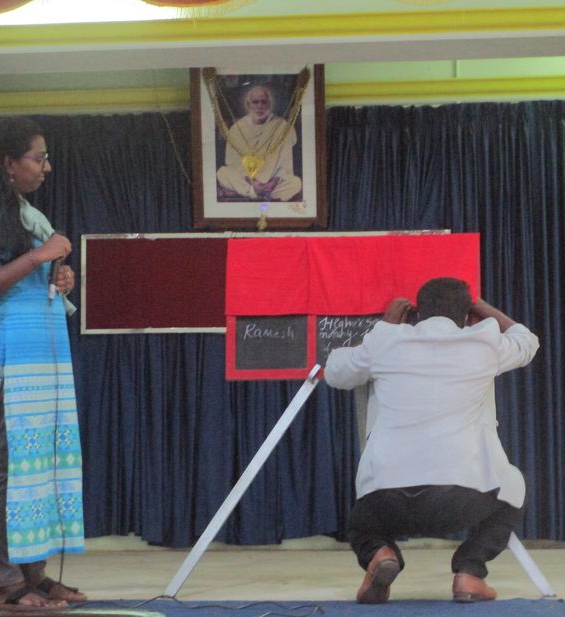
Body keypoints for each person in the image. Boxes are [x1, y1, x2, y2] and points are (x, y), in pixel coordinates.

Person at [324, 277, 539, 604]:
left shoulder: (386, 340)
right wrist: (482, 307)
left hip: (386, 500)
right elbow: (527, 341)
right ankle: (470, 572)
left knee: (362, 523)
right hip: (461, 500)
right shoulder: (484, 342)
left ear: (417, 313)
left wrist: (385, 326)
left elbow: (334, 371)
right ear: (467, 316)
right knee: (516, 488)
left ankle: (380, 553)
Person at [0, 117, 87, 610]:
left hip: (41, 351)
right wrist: (39, 258)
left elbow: (27, 275)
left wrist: (58, 277)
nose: (46, 167)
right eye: (38, 158)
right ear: (8, 163)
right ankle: (6, 583)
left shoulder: (26, 213)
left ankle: (34, 573)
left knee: (35, 464)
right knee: (1, 465)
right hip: (8, 350)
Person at [216, 84, 302, 202]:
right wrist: (252, 182)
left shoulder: (281, 126)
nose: (259, 106)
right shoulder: (237, 128)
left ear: (269, 104)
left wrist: (274, 181)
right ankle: (262, 194)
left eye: (263, 102)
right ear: (248, 105)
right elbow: (232, 162)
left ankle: (243, 193)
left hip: (271, 182)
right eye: (255, 102)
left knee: (295, 183)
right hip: (246, 180)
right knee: (222, 173)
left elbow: (285, 163)